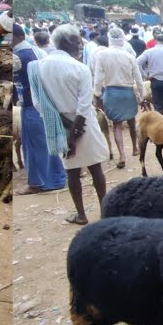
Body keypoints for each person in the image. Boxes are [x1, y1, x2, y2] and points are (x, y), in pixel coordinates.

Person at [30, 24, 108, 225]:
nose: (80, 44)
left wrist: (65, 129)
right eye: (76, 40)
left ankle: (81, 215)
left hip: (57, 126)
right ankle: (105, 214)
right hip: (84, 125)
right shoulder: (80, 68)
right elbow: (84, 105)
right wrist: (74, 133)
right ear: (65, 42)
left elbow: (38, 103)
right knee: (95, 168)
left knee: (71, 170)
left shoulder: (38, 67)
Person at [11, 23, 66, 195]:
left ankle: (37, 183)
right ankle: (57, 178)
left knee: (33, 146)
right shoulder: (38, 51)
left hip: (31, 105)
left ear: (17, 37)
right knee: (46, 142)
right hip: (46, 103)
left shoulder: (17, 57)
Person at [92, 27, 143, 167]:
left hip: (111, 93)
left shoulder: (102, 55)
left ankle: (122, 155)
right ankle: (135, 148)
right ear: (122, 39)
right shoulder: (129, 56)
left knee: (117, 125)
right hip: (127, 92)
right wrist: (142, 96)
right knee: (132, 122)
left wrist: (96, 94)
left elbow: (98, 78)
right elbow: (138, 78)